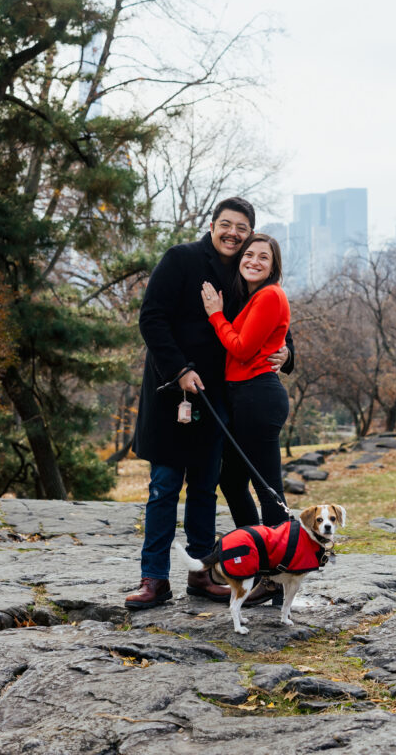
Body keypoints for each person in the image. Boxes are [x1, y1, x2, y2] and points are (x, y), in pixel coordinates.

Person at [124, 198, 293, 610]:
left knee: (204, 487)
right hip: (172, 393)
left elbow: (271, 321)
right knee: (164, 486)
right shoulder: (181, 259)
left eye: (242, 228)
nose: (233, 234)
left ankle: (201, 574)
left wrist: (288, 352)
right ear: (213, 225)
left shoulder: (243, 273)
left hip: (220, 399)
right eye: (227, 225)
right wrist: (179, 368)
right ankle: (153, 579)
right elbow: (152, 317)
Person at [201, 233, 291, 531]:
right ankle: (256, 548)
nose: (254, 261)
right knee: (232, 481)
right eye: (249, 254)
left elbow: (241, 348)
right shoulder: (252, 296)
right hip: (243, 396)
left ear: (273, 266)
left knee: (267, 488)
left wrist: (215, 315)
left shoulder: (269, 295)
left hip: (258, 396)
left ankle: (278, 567)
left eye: (263, 257)